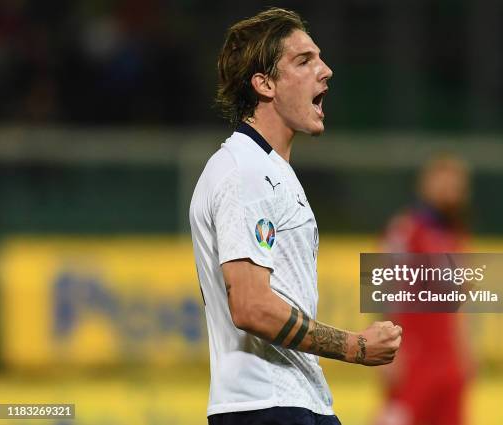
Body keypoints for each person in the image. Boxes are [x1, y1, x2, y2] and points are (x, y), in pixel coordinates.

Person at [189, 8, 402, 425]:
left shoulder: (268, 169)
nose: (326, 71)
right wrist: (355, 347)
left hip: (290, 403)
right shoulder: (246, 173)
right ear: (264, 84)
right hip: (268, 407)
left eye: (319, 58)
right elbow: (251, 306)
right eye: (303, 61)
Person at [375, 155, 473, 425]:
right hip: (413, 357)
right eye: (445, 184)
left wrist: (466, 350)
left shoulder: (457, 236)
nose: (452, 192)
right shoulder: (406, 230)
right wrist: (387, 353)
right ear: (426, 186)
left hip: (449, 360)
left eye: (457, 186)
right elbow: (382, 287)